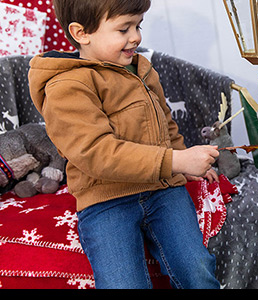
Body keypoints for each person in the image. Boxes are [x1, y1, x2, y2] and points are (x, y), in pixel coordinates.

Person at [28, 0, 221, 289]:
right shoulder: (66, 86)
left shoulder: (141, 69)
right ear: (81, 33)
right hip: (106, 200)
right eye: (123, 29)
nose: (136, 37)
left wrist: (184, 162)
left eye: (138, 25)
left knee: (197, 269)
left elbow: (165, 122)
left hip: (162, 190)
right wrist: (176, 161)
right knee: (122, 283)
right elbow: (97, 153)